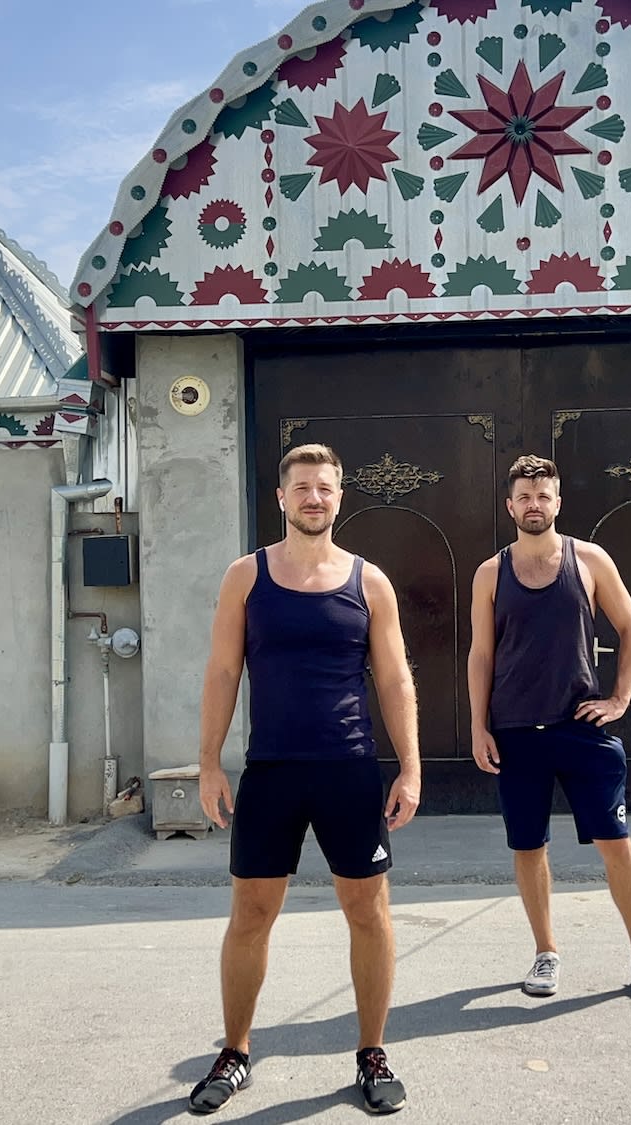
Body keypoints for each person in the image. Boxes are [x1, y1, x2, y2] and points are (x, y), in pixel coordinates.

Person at [188, 442, 423, 1116]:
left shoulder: (367, 581)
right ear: (282, 498)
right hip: (271, 773)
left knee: (368, 913)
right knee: (251, 917)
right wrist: (208, 761)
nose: (314, 497)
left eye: (325, 487)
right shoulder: (246, 575)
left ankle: (371, 1051)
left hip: (349, 770)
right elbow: (223, 672)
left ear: (339, 497)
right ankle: (235, 1052)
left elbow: (396, 676)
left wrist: (409, 765)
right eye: (302, 487)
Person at [467, 454, 631, 1006]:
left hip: (582, 728)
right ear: (510, 506)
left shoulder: (589, 560)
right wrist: (477, 726)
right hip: (515, 731)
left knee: (615, 842)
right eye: (525, 497)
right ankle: (546, 952)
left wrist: (620, 700)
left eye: (544, 496)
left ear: (558, 502)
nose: (534, 505)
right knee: (529, 846)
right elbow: (481, 656)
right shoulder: (492, 573)